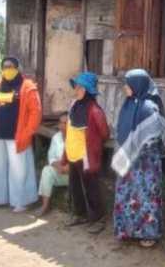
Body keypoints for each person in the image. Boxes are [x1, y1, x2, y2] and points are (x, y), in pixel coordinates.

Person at [113, 69, 165, 247]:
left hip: (145, 163)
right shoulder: (128, 104)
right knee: (126, 194)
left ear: (137, 85)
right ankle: (127, 230)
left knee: (146, 196)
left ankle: (148, 234)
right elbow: (121, 129)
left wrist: (137, 148)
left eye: (127, 84)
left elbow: (156, 134)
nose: (124, 88)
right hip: (128, 161)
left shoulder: (149, 108)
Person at [0, 57, 41, 212]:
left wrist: (28, 133)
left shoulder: (28, 87)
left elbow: (36, 113)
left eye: (11, 66)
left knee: (19, 169)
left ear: (18, 68)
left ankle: (21, 201)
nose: (8, 69)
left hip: (18, 135)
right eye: (5, 66)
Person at [62, 72, 110, 234]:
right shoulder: (74, 105)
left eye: (79, 87)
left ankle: (98, 218)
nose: (76, 89)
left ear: (87, 90)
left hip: (86, 156)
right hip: (73, 153)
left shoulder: (95, 110)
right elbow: (69, 130)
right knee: (75, 186)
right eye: (76, 86)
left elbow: (104, 133)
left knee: (91, 187)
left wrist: (92, 146)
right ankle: (80, 214)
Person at [36, 114, 69, 216]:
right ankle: (45, 206)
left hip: (73, 175)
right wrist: (59, 166)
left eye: (65, 123)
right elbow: (51, 157)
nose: (62, 125)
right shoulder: (56, 137)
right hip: (60, 171)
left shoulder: (76, 138)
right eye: (61, 123)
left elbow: (80, 160)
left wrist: (68, 168)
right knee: (47, 170)